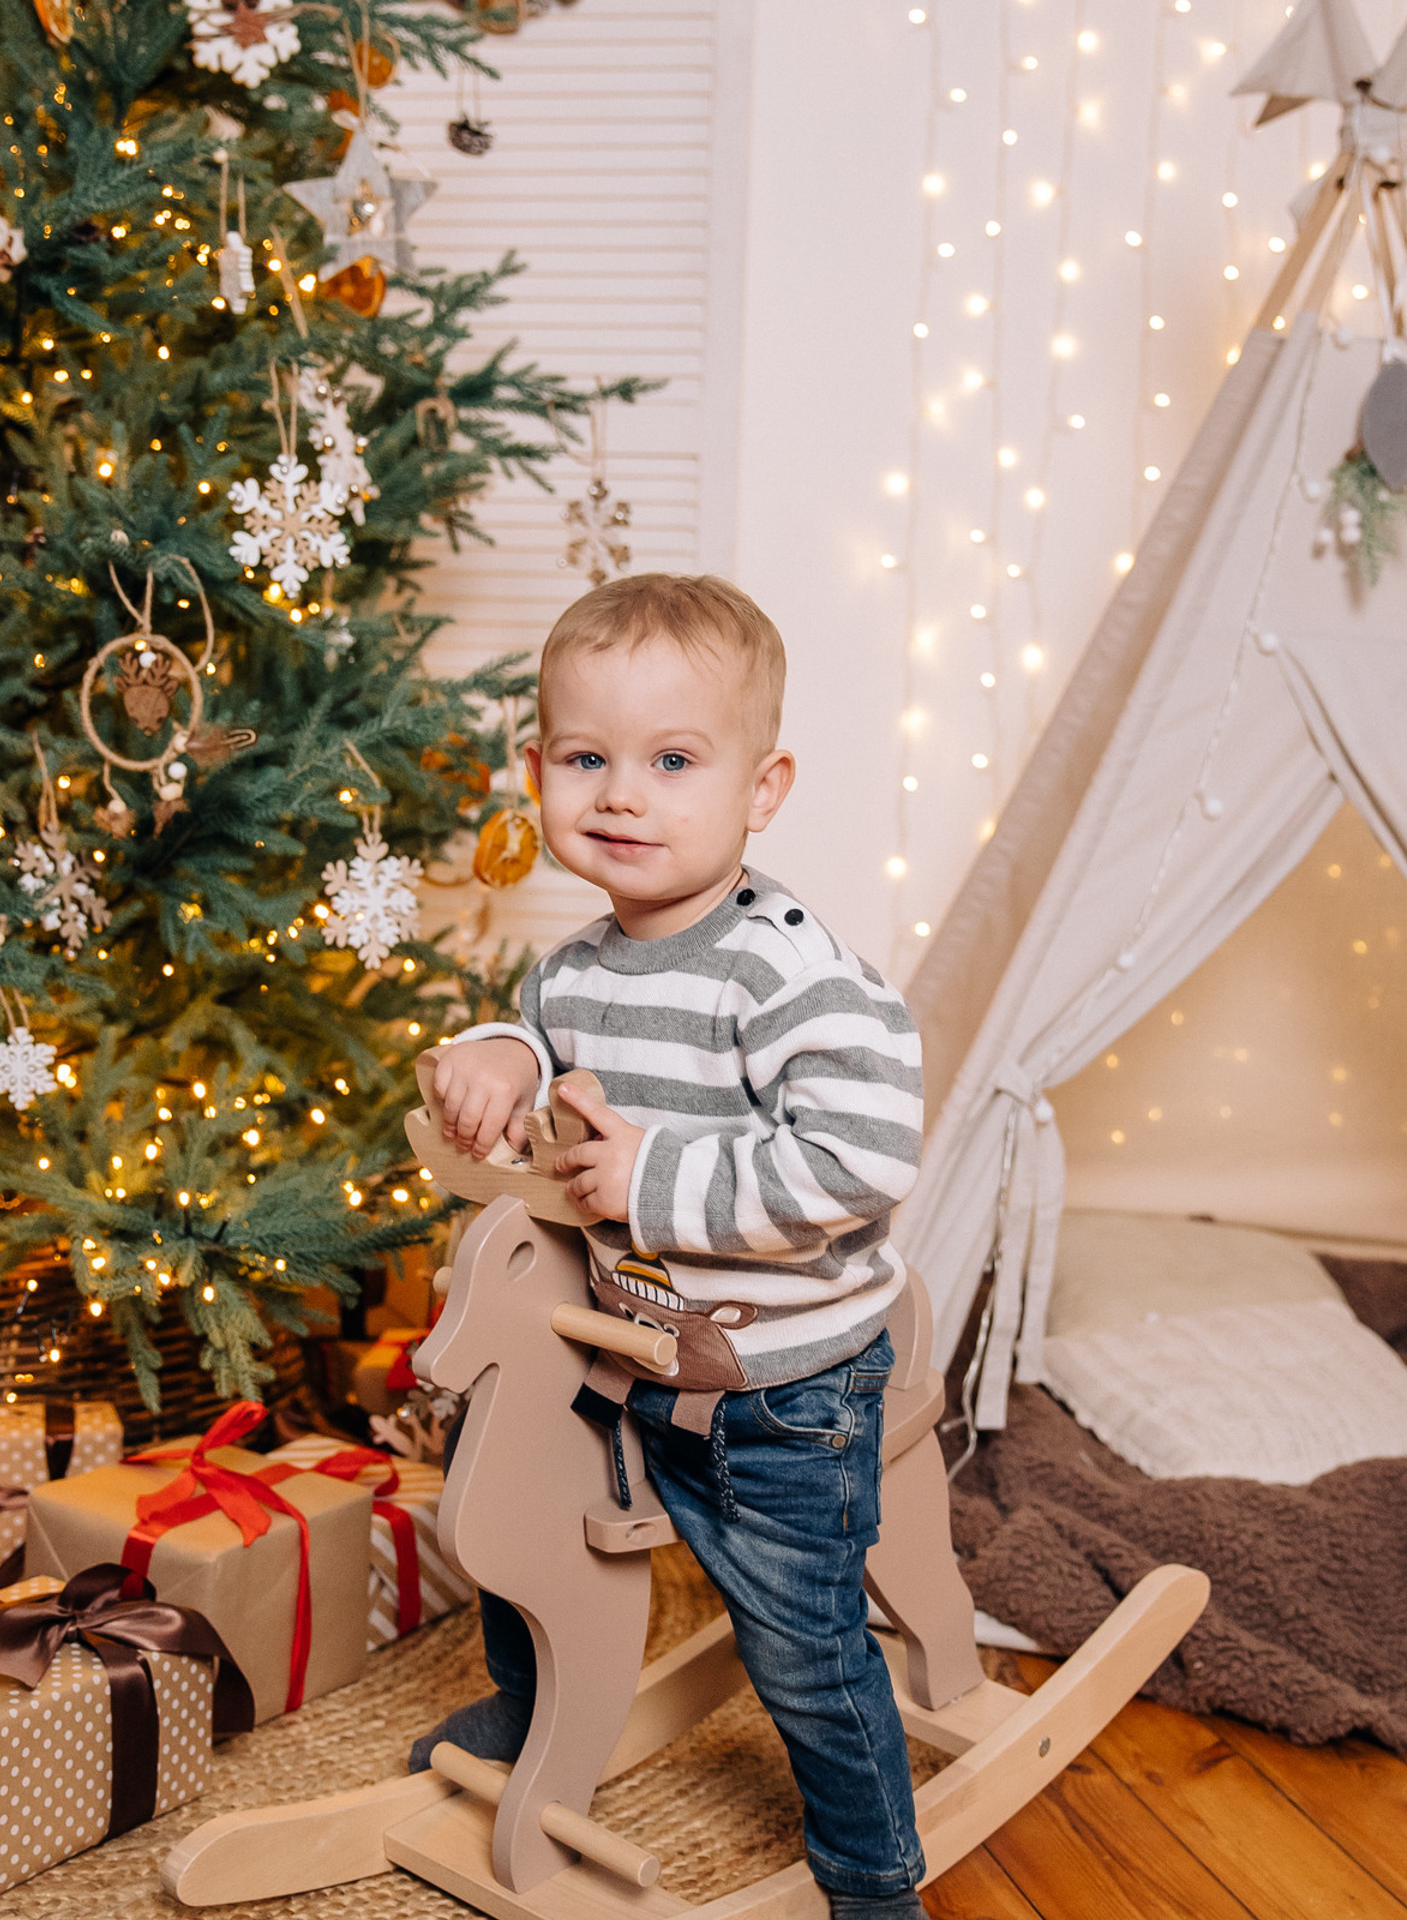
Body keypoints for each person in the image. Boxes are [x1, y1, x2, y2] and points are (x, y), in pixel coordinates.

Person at [410, 573, 928, 1919]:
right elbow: (554, 1051)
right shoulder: (575, 970)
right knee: (524, 1531)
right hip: (624, 1348)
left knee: (806, 1647)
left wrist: (658, 1176)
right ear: (538, 773)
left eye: (673, 761)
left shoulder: (787, 974)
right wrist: (500, 1055)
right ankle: (529, 1713)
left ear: (763, 789)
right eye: (587, 759)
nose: (621, 794)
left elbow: (865, 1161)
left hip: (783, 1386)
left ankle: (874, 1877)